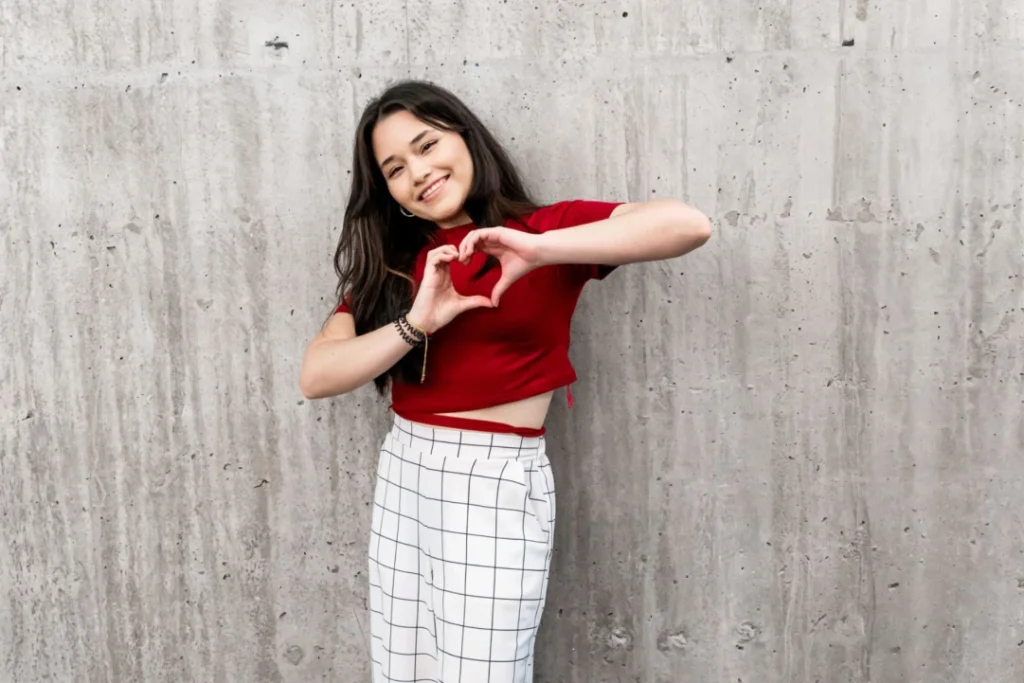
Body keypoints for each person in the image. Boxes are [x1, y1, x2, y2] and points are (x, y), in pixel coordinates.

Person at [299, 80, 711, 683]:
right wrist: (417, 322)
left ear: (466, 138)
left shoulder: (545, 230)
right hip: (405, 470)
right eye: (394, 168)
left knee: (483, 671)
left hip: (493, 481)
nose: (418, 171)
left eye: (427, 145)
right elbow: (318, 375)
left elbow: (687, 225)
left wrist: (540, 250)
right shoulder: (393, 265)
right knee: (402, 668)